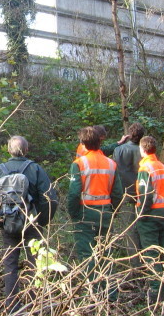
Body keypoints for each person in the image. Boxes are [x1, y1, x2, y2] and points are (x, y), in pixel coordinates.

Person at [0, 136, 58, 314]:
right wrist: (41, 220)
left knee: (10, 266)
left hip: (8, 225)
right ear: (26, 150)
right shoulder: (35, 169)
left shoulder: (0, 170)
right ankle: (35, 305)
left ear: (9, 150)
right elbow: (50, 199)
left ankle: (12, 308)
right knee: (36, 265)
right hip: (32, 224)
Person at [67, 126, 123, 302]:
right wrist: (112, 211)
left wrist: (74, 213)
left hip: (85, 213)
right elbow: (118, 193)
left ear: (83, 143)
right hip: (105, 213)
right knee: (105, 253)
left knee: (87, 254)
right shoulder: (111, 163)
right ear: (100, 141)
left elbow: (74, 193)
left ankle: (93, 295)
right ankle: (110, 294)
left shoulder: (79, 164)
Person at [135, 135, 164, 302]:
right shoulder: (162, 167)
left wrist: (142, 214)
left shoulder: (145, 169)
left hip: (149, 215)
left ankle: (155, 293)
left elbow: (145, 195)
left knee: (151, 253)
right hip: (163, 212)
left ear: (142, 150)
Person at [112, 122, 145, 258]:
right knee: (140, 227)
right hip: (142, 193)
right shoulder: (144, 151)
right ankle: (142, 259)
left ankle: (134, 261)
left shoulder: (118, 150)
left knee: (129, 228)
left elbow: (114, 170)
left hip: (124, 192)